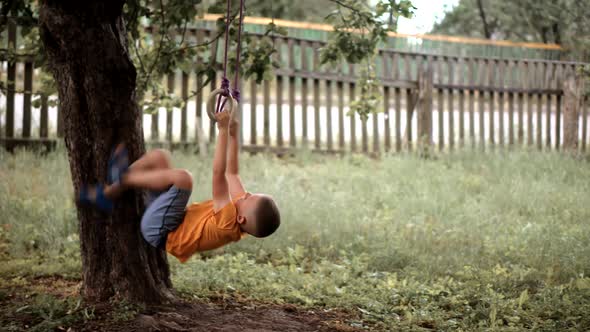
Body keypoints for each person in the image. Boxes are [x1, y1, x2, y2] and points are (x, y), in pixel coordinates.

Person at [78, 111, 280, 263]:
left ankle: (123, 178)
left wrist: (223, 131)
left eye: (250, 198)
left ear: (241, 219)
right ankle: (110, 191)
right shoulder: (239, 210)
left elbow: (219, 174)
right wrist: (234, 136)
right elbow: (232, 173)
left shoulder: (228, 223)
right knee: (159, 157)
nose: (247, 193)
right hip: (165, 215)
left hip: (160, 229)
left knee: (184, 178)